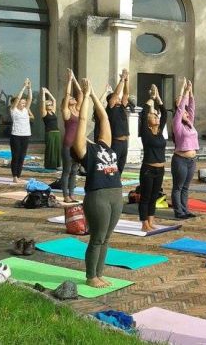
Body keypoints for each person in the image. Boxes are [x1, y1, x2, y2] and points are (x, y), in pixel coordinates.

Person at [72, 79, 122, 288]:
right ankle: (91, 276)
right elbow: (83, 120)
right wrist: (84, 95)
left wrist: (93, 95)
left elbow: (104, 118)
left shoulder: (104, 145)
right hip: (98, 196)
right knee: (97, 237)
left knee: (107, 238)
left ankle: (99, 274)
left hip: (116, 193)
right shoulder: (84, 150)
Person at [138, 84, 167, 231]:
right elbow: (143, 114)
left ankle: (151, 221)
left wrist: (158, 98)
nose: (156, 116)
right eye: (153, 116)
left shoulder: (160, 132)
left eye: (156, 116)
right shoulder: (146, 133)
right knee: (146, 196)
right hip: (148, 169)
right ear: (148, 123)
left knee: (154, 196)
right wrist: (150, 99)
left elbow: (164, 113)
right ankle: (144, 224)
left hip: (160, 169)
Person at [171, 79, 198, 219]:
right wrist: (185, 91)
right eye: (184, 112)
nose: (187, 113)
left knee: (186, 187)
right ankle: (178, 211)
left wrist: (191, 93)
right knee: (178, 186)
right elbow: (181, 108)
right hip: (180, 160)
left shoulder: (190, 124)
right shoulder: (177, 125)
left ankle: (185, 209)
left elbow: (191, 108)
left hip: (192, 160)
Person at [61, 70, 82, 203]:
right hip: (68, 145)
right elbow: (67, 94)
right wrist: (69, 81)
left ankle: (72, 194)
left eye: (73, 99)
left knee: (75, 171)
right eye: (71, 99)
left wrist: (74, 79)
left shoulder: (78, 110)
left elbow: (80, 94)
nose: (73, 98)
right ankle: (65, 195)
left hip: (77, 145)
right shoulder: (67, 112)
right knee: (67, 170)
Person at [9, 78, 34, 184]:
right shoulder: (13, 110)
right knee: (16, 156)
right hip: (16, 135)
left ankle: (18, 176)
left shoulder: (25, 110)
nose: (23, 104)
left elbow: (30, 99)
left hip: (26, 135)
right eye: (21, 103)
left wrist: (30, 88)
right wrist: (24, 86)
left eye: (24, 103)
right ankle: (14, 176)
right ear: (17, 103)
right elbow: (18, 97)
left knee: (22, 156)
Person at [105, 69, 130, 175]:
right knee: (112, 167)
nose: (119, 99)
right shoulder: (110, 108)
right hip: (116, 142)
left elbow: (126, 94)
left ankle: (116, 186)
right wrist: (122, 79)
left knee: (120, 167)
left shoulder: (121, 107)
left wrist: (127, 80)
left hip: (125, 143)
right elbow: (115, 94)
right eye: (116, 99)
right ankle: (108, 184)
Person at [41, 86, 61, 170]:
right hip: (49, 132)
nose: (50, 105)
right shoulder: (44, 113)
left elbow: (54, 100)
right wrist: (43, 93)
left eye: (50, 104)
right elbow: (42, 102)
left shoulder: (53, 112)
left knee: (57, 149)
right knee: (50, 149)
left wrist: (48, 92)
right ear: (45, 106)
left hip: (57, 132)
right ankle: (49, 165)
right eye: (48, 104)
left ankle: (56, 164)